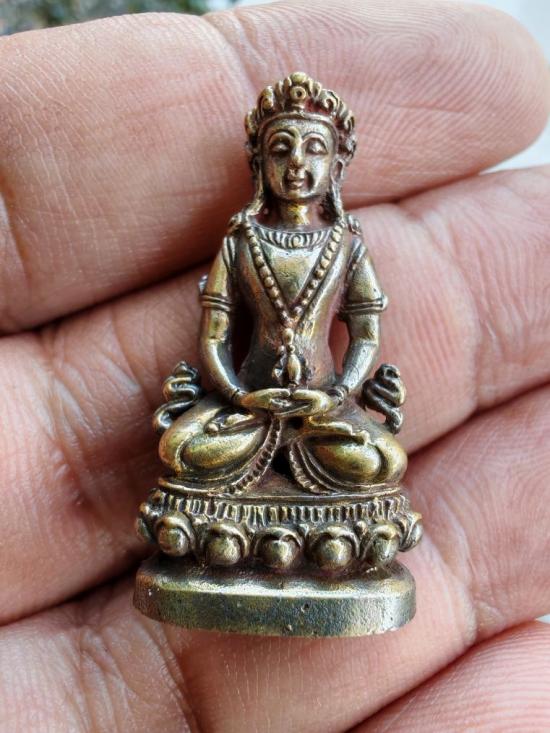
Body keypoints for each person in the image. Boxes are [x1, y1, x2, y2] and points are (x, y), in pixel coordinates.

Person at [0, 1, 549, 730]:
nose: (297, 164)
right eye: (281, 148)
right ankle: (282, 534)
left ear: (335, 165)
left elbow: (364, 333)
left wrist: (336, 396)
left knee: (378, 463)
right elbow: (216, 337)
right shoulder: (240, 242)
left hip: (322, 415)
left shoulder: (345, 244)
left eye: (313, 149)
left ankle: (258, 532)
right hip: (247, 411)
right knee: (183, 450)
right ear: (259, 162)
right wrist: (240, 395)